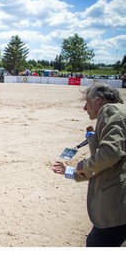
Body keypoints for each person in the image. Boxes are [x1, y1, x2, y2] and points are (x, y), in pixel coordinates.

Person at [52, 83, 126, 247]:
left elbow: (110, 154)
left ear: (98, 100)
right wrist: (69, 171)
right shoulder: (122, 112)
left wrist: (81, 166)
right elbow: (110, 165)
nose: (85, 107)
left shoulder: (110, 110)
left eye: (87, 101)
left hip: (115, 207)